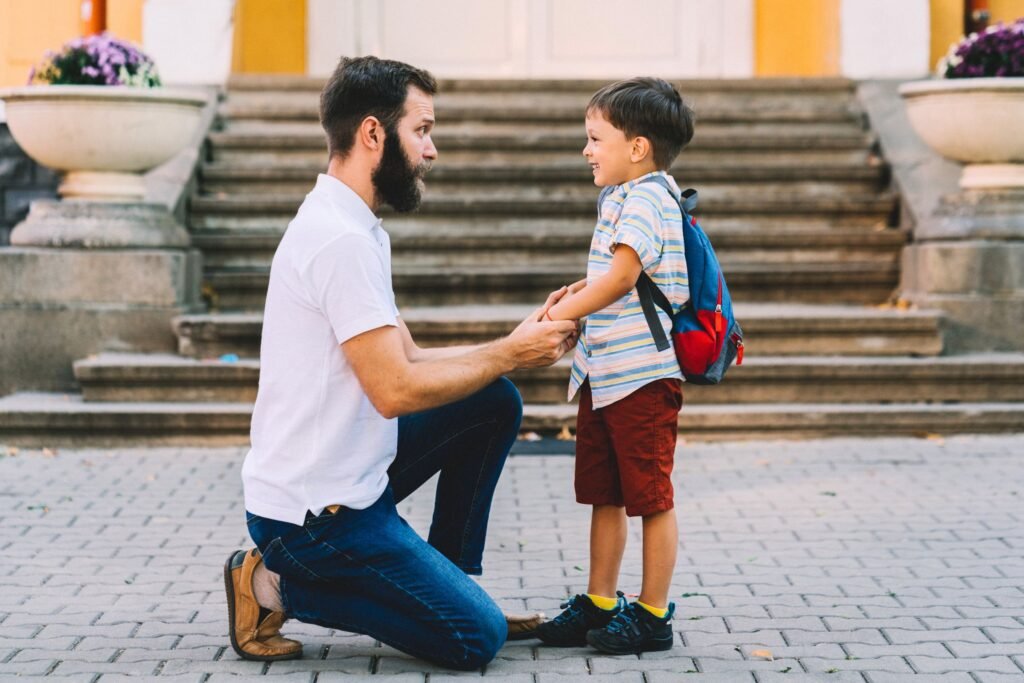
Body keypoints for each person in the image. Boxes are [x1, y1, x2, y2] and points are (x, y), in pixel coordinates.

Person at [223, 56, 578, 671]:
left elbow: (408, 358)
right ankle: (271, 585)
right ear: (372, 134)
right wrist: (511, 353)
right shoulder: (339, 241)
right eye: (422, 130)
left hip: (351, 478)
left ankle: (452, 581)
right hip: (312, 522)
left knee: (492, 400)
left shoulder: (356, 227)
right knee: (474, 639)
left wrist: (514, 345)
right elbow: (395, 390)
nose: (432, 149)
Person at [534, 77, 694, 654]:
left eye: (594, 137)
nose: (586, 149)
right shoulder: (620, 197)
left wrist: (557, 321)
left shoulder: (651, 195)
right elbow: (616, 275)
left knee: (650, 496)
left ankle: (653, 615)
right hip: (604, 374)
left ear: (637, 147)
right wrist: (575, 292)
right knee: (605, 492)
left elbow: (625, 277)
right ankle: (601, 601)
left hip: (643, 377)